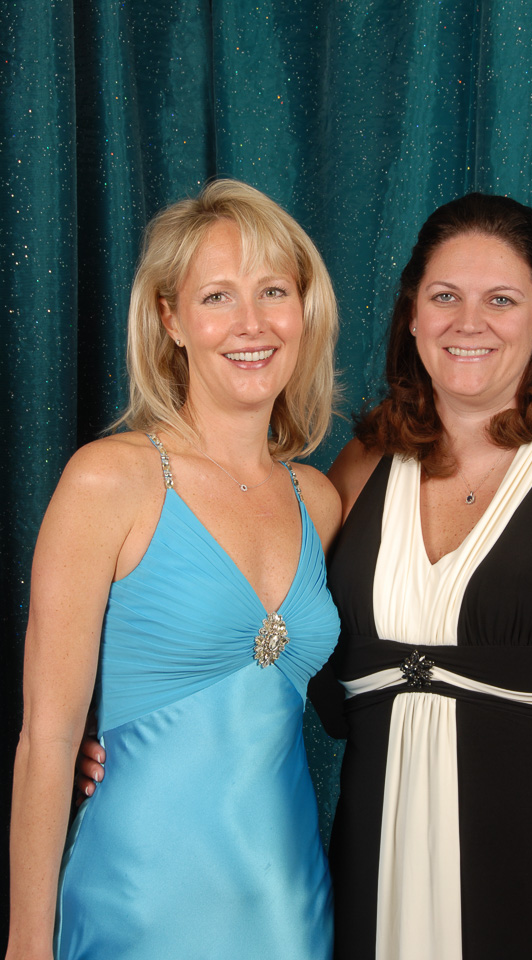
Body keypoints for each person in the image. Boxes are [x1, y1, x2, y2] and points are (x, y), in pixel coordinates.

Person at [6, 179, 342, 960]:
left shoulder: (319, 500)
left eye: (272, 291)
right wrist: (26, 943)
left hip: (289, 908)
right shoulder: (109, 480)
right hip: (136, 908)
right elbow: (48, 739)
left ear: (304, 309)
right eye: (217, 296)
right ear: (170, 319)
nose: (251, 323)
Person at [319, 193, 532, 960]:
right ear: (411, 315)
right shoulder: (358, 471)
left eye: (500, 300)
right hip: (376, 899)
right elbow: (262, 641)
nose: (469, 322)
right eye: (444, 297)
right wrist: (113, 734)